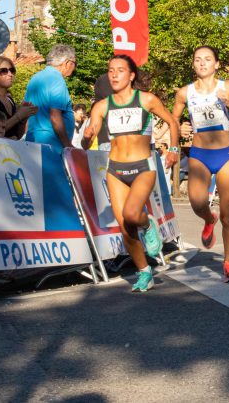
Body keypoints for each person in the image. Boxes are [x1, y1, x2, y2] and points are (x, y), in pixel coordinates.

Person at [83, 55, 179, 292]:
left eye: (120, 70)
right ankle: (144, 271)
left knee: (133, 214)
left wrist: (174, 150)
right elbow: (86, 144)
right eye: (110, 71)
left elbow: (173, 122)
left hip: (143, 167)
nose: (114, 75)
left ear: (131, 75)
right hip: (115, 169)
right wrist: (87, 138)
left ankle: (148, 225)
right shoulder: (102, 106)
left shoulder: (147, 100)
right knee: (125, 226)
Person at [171, 45, 229, 283]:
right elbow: (173, 118)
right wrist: (179, 130)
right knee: (197, 202)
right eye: (197, 59)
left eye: (207, 59)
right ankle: (208, 219)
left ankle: (228, 262)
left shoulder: (227, 87)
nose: (202, 63)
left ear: (216, 64)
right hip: (199, 154)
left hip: (226, 155)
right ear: (193, 64)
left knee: (228, 214)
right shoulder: (185, 93)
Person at [23, 44, 76, 153]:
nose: (75, 67)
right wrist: (68, 145)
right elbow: (55, 116)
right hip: (52, 146)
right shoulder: (57, 79)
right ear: (66, 63)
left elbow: (26, 111)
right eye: (75, 63)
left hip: (33, 142)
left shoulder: (36, 77)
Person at [0, 56, 37, 139]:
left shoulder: (9, 99)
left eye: (12, 70)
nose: (10, 74)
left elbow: (18, 135)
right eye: (3, 71)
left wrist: (23, 119)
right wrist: (19, 116)